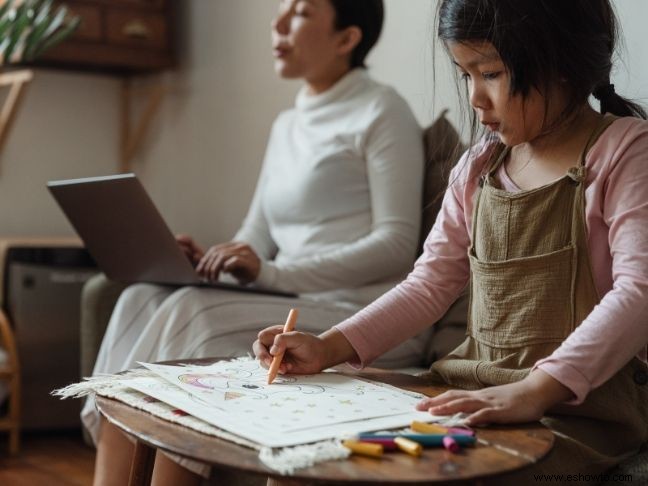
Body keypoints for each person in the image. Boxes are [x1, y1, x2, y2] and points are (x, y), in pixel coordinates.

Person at [255, 0, 648, 482]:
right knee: (304, 457)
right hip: (466, 387)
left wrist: (536, 389)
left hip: (572, 411)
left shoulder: (624, 151)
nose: (477, 97)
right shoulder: (479, 168)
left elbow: (638, 292)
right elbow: (429, 286)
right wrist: (328, 346)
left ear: (562, 63)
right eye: (466, 75)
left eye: (492, 73)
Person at [87, 1, 433, 485]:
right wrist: (217, 260)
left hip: (354, 312)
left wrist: (269, 273)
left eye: (301, 13)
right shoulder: (287, 124)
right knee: (137, 299)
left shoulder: (382, 109)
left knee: (193, 314)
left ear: (346, 38)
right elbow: (257, 234)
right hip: (288, 296)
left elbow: (396, 244)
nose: (278, 25)